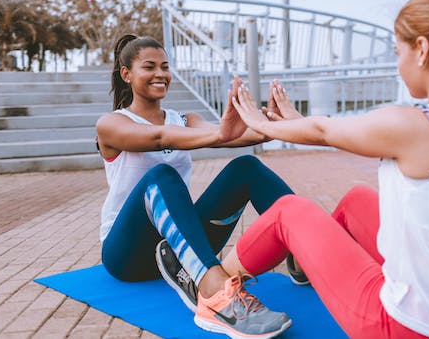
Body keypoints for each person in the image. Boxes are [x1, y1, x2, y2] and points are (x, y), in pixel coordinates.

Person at [223, 0, 429, 339]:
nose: (398, 63)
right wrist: (297, 121)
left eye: (398, 52)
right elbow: (337, 132)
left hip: (405, 328)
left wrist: (262, 123)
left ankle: (215, 291)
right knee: (357, 201)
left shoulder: (417, 124)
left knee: (289, 211)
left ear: (421, 49)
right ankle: (305, 267)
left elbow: (324, 130)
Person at [95, 34, 302, 339]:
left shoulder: (184, 118)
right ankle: (216, 296)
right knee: (162, 176)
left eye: (165, 67)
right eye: (148, 67)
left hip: (180, 247)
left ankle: (304, 256)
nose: (160, 74)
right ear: (126, 74)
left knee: (247, 167)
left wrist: (270, 126)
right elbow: (159, 138)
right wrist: (222, 134)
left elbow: (230, 134)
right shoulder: (111, 124)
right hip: (127, 254)